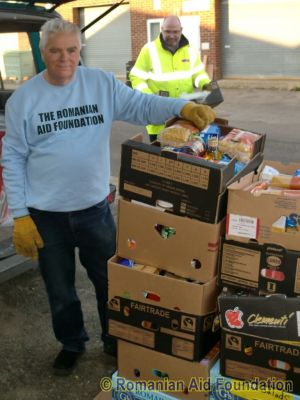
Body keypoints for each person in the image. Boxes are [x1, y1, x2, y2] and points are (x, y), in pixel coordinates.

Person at [2, 18, 215, 376]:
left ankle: (114, 339)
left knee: (110, 282)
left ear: (79, 50)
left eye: (71, 50)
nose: (64, 58)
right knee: (60, 290)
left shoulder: (100, 85)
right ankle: (71, 343)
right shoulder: (24, 99)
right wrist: (21, 215)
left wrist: (182, 109)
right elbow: (12, 157)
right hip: (46, 215)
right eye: (55, 51)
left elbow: (142, 106)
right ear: (42, 53)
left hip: (94, 210)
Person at [129, 15, 212, 141]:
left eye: (175, 31)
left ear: (181, 30)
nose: (171, 35)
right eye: (168, 31)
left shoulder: (190, 51)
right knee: (161, 156)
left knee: (185, 154)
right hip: (159, 117)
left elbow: (198, 73)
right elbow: (136, 77)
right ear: (161, 29)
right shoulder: (149, 50)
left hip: (185, 116)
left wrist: (206, 84)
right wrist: (150, 98)